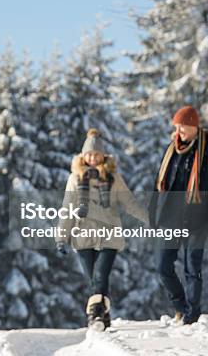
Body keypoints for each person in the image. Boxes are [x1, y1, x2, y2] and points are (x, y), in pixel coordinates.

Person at [56, 129, 148, 331]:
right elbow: (67, 209)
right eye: (88, 154)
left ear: (103, 155)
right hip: (83, 237)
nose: (92, 158)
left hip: (109, 236)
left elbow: (129, 202)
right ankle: (104, 317)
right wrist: (62, 237)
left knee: (100, 277)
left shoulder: (113, 178)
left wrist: (148, 219)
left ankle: (94, 315)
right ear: (83, 155)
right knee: (93, 281)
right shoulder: (75, 179)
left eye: (96, 154)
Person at [150, 106, 208, 325]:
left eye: (182, 127)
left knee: (192, 268)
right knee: (162, 266)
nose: (178, 131)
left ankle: (192, 315)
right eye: (176, 127)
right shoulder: (171, 151)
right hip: (170, 218)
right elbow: (158, 185)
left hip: (198, 219)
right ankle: (180, 306)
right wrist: (152, 215)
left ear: (194, 126)